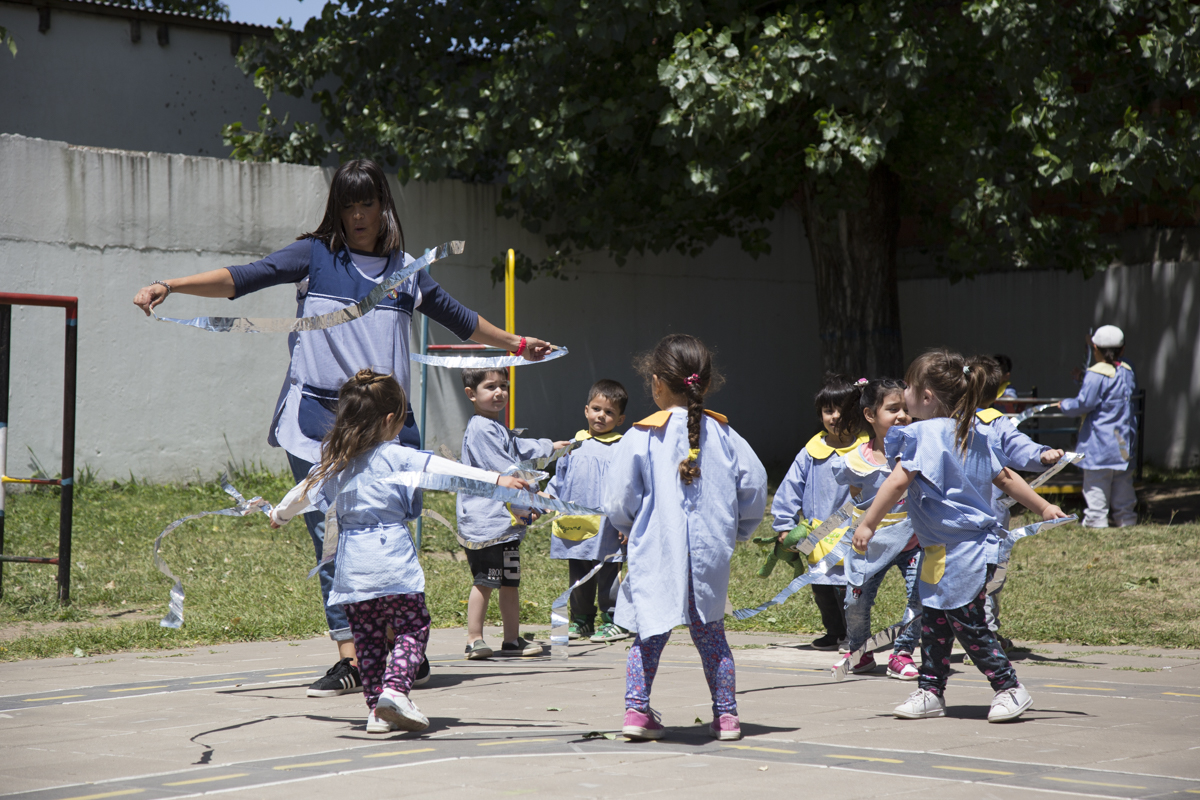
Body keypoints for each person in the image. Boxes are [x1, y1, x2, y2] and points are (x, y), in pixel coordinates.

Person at [132, 159, 557, 698]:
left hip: (388, 428)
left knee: (388, 538)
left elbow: (460, 317)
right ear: (337, 208)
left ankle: (399, 646)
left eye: (368, 203)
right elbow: (243, 278)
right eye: (349, 204)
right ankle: (352, 657)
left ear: (384, 207)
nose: (358, 215)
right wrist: (169, 284)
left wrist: (517, 344)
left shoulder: (406, 270)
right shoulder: (314, 256)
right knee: (332, 541)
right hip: (318, 425)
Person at [268, 369, 531, 733]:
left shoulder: (335, 461)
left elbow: (301, 493)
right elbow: (449, 470)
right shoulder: (397, 455)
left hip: (353, 572)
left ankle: (376, 711)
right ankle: (395, 691)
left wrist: (278, 514)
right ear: (391, 419)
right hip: (392, 563)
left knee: (369, 641)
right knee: (412, 627)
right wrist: (498, 479)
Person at [852, 350, 1068, 723]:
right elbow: (1006, 478)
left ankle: (1009, 687)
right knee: (935, 622)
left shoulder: (922, 434)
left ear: (926, 396)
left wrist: (868, 523)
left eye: (909, 387)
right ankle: (930, 691)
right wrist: (1044, 507)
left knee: (967, 622)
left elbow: (898, 481)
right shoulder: (975, 430)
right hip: (947, 549)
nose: (904, 393)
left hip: (962, 551)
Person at [604, 334, 767, 742]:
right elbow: (754, 484)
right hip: (709, 555)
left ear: (656, 382)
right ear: (705, 384)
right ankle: (726, 716)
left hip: (656, 552)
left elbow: (619, 498)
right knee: (711, 635)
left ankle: (636, 711)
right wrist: (740, 529)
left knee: (649, 633)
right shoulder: (725, 435)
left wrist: (627, 526)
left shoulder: (642, 436)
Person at [458, 368, 571, 659]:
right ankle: (474, 639)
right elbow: (506, 467)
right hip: (485, 525)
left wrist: (550, 447)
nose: (499, 392)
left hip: (505, 525)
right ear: (471, 394)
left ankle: (511, 640)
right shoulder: (481, 429)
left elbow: (518, 447)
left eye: (503, 386)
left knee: (510, 582)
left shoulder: (495, 426)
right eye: (490, 387)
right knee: (485, 581)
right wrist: (535, 492)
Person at [831, 377, 923, 680]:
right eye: (893, 409)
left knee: (921, 598)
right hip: (869, 544)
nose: (902, 416)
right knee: (855, 602)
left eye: (906, 409)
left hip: (915, 542)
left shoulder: (919, 452)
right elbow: (857, 496)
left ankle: (903, 654)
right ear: (870, 414)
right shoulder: (856, 460)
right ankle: (859, 652)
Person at [771, 373, 869, 650]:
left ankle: (853, 634)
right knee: (821, 587)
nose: (835, 417)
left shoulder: (867, 450)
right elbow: (790, 488)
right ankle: (834, 632)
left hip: (852, 531)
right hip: (817, 533)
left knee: (847, 588)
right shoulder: (809, 453)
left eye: (842, 410)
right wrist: (784, 524)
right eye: (828, 410)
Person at [974, 357, 1063, 648]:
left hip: (989, 521)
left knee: (989, 578)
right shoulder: (942, 424)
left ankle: (985, 636)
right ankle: (973, 637)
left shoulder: (994, 422)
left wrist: (1041, 455)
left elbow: (1018, 446)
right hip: (950, 525)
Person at [547, 379, 631, 643]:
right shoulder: (573, 444)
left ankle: (614, 620)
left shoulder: (622, 448)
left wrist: (628, 521)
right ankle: (581, 620)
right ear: (586, 410)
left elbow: (628, 487)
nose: (601, 416)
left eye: (609, 412)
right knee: (579, 572)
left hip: (609, 526)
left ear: (620, 419)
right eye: (596, 409)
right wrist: (546, 498)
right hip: (576, 524)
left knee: (609, 572)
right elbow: (559, 479)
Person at [1057, 325, 1138, 528]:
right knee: (1123, 484)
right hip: (1122, 441)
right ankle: (1126, 520)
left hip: (1099, 443)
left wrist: (1065, 405)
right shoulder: (1126, 371)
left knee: (1096, 485)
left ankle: (1096, 522)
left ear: (1095, 349)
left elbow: (1085, 403)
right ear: (1123, 349)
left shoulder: (1096, 373)